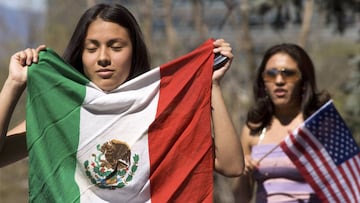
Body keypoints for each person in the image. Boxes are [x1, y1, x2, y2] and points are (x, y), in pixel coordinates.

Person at [0, 2, 244, 200]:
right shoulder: (62, 116)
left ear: (134, 51)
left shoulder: (158, 109)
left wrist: (211, 84)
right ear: (80, 53)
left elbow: (231, 165)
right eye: (92, 48)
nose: (103, 58)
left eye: (116, 47)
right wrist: (14, 84)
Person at [233, 43, 330, 203]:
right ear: (263, 82)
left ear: (303, 80)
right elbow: (241, 198)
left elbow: (343, 183)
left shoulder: (320, 125)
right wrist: (244, 172)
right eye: (271, 74)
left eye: (288, 74)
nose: (279, 81)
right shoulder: (253, 129)